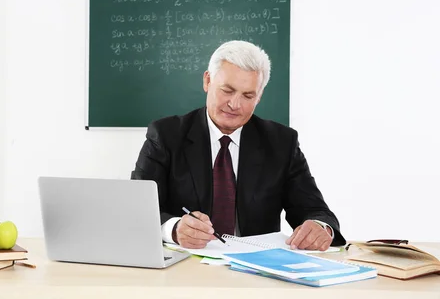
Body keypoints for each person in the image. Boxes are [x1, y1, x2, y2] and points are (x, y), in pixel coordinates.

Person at [132, 40, 346, 251]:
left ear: (259, 96)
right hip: (185, 269)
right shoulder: (166, 135)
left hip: (256, 271)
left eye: (248, 95)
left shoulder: (281, 142)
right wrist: (174, 228)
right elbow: (137, 210)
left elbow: (316, 211)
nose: (235, 104)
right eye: (227, 90)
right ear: (208, 81)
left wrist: (319, 227)